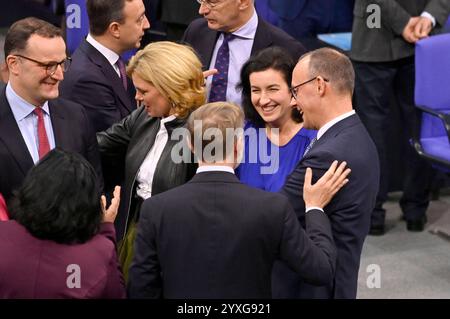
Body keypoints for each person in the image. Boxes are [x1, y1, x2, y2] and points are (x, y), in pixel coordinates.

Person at [128, 101, 351, 298]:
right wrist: (314, 208)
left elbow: (141, 287)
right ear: (238, 146)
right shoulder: (272, 208)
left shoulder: (156, 209)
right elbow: (320, 269)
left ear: (190, 145)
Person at [97, 41, 204, 278]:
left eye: (143, 91)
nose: (136, 98)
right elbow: (97, 145)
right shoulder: (143, 117)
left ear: (169, 87)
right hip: (133, 232)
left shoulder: (206, 129)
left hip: (178, 248)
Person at [281, 48, 380, 299]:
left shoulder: (329, 155)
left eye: (295, 91)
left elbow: (276, 212)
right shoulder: (355, 135)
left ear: (319, 85)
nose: (293, 101)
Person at [351, 0, 450, 235]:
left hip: (386, 41)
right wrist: (426, 18)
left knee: (378, 131)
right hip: (421, 39)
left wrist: (423, 18)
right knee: (418, 124)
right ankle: (415, 210)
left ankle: (374, 215)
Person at [0, 17, 102, 203]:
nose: (59, 75)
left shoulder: (77, 116)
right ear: (14, 64)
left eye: (62, 63)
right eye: (49, 66)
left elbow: (93, 187)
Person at [0, 148, 125, 298]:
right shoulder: (98, 254)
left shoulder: (3, 234)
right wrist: (106, 230)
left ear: (31, 187)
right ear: (87, 204)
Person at [182, 0, 305, 107]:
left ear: (244, 2)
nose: (202, 10)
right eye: (202, 1)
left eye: (212, 2)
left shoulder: (287, 48)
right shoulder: (196, 31)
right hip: (196, 129)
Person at [60, 0, 150, 133]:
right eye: (139, 19)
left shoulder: (116, 63)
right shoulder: (87, 80)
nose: (147, 24)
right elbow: (117, 141)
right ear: (115, 29)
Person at [236, 46, 316, 192]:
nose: (263, 100)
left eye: (272, 89)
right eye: (256, 90)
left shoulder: (314, 140)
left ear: (293, 90)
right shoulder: (243, 133)